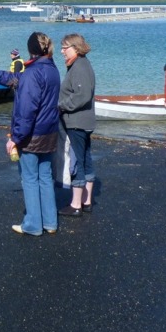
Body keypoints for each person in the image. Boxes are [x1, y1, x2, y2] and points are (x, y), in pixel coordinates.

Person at [0, 32, 60, 236]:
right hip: (49, 132)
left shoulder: (33, 72)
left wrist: (15, 139)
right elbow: (21, 79)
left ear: (30, 50)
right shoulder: (51, 68)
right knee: (44, 177)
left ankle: (33, 225)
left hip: (32, 136)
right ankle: (50, 222)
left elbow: (26, 111)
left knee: (29, 179)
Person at [58, 33, 97, 217]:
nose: (62, 51)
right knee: (85, 159)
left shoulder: (79, 66)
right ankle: (86, 201)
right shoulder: (81, 64)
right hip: (84, 121)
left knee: (76, 162)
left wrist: (60, 105)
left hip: (77, 122)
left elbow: (82, 96)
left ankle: (76, 205)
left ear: (76, 47)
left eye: (65, 48)